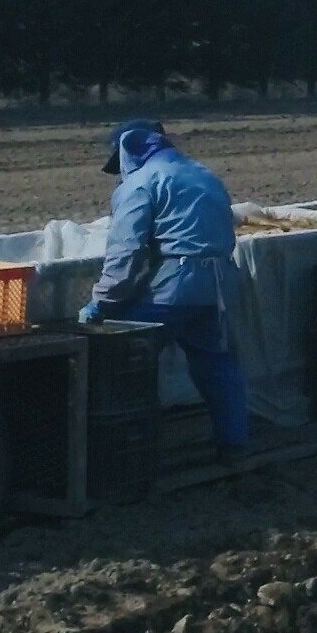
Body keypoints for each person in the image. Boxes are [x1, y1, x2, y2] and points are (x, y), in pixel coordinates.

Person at [79, 120, 251, 451]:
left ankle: (131, 447)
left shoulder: (141, 184)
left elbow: (125, 252)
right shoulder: (204, 174)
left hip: (174, 288)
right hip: (217, 288)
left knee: (127, 362)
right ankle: (236, 446)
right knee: (216, 364)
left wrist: (102, 301)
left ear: (129, 151)